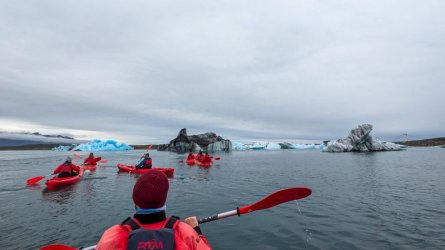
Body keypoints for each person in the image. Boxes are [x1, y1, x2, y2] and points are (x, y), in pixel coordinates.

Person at [95, 170, 212, 250]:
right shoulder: (184, 232)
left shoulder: (112, 236)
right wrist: (197, 232)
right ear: (164, 199)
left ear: (135, 200)